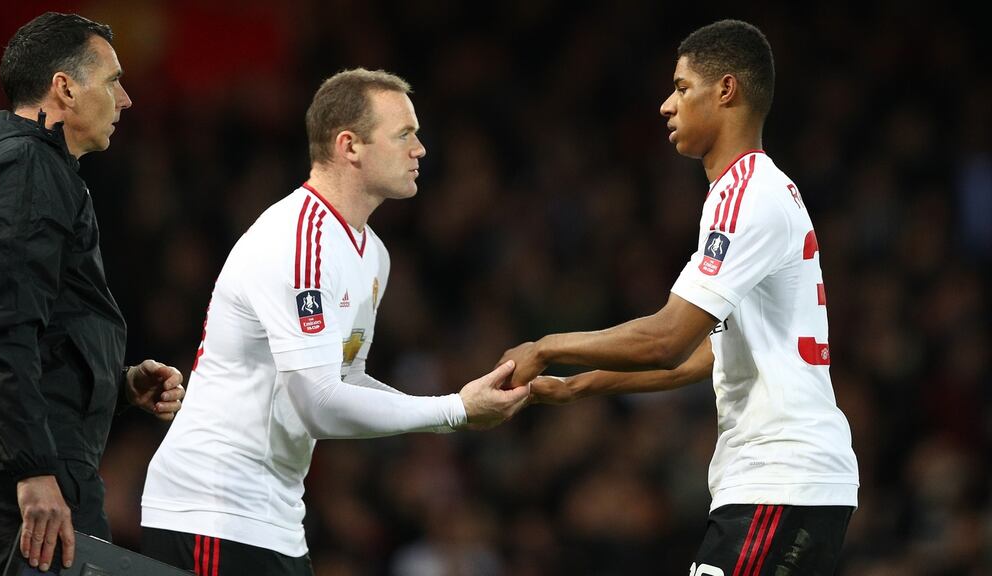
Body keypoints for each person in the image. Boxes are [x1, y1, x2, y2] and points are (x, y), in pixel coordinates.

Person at [501, 20, 859, 575]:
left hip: (780, 476)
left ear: (726, 90)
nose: (667, 105)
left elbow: (667, 339)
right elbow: (706, 357)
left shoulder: (745, 194)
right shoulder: (750, 192)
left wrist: (547, 346)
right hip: (786, 481)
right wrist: (582, 385)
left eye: (682, 86)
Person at [140, 68, 529, 576]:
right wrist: (452, 410)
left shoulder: (374, 254)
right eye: (404, 134)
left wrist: (458, 408)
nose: (421, 150)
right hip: (211, 511)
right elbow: (320, 404)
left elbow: (344, 378)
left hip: (274, 517)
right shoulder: (299, 240)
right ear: (350, 146)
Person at [0, 12, 187, 576]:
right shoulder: (28, 166)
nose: (127, 98)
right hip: (22, 487)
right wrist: (33, 469)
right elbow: (0, 324)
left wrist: (115, 382)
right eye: (113, 80)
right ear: (65, 88)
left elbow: (24, 334)